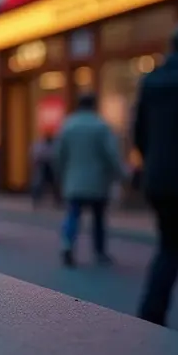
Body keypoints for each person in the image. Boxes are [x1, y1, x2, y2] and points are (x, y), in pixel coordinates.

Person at [135, 22, 178, 326]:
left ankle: (151, 313)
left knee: (170, 248)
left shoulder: (153, 80)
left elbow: (139, 133)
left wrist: (155, 162)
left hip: (162, 180)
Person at [54, 93, 123, 267]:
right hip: (97, 180)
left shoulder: (68, 126)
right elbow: (111, 154)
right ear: (94, 105)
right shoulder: (101, 126)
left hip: (74, 179)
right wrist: (121, 174)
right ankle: (99, 252)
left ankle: (67, 244)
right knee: (98, 218)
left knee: (73, 214)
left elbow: (59, 154)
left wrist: (61, 174)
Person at [31, 133, 61, 208]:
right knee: (39, 182)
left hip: (50, 164)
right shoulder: (41, 143)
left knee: (53, 183)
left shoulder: (54, 143)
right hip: (43, 164)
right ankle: (36, 199)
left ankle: (57, 200)